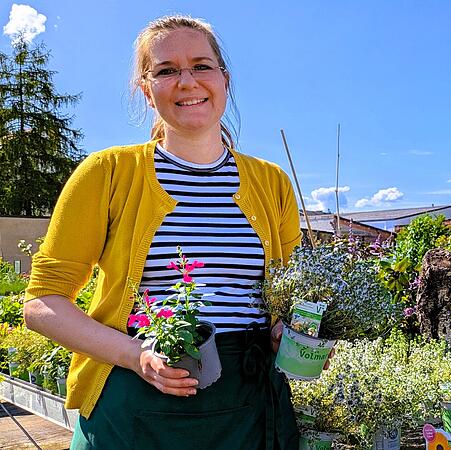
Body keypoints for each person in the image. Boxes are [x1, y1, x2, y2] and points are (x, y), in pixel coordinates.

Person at [23, 15, 304, 449]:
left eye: (201, 66)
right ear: (146, 90)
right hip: (135, 403)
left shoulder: (271, 183)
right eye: (166, 70)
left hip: (250, 403)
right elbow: (42, 302)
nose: (187, 82)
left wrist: (291, 333)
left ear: (224, 80)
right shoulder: (109, 173)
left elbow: (294, 293)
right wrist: (137, 357)